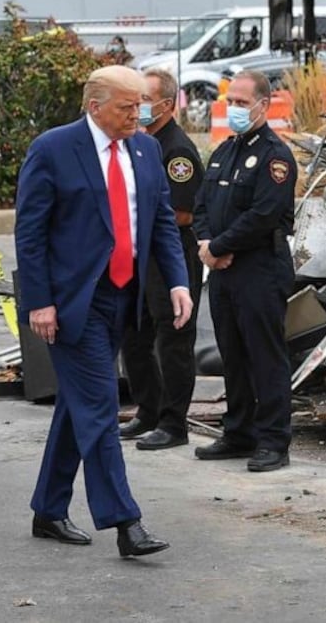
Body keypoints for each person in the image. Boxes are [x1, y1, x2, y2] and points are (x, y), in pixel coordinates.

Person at [15, 65, 192, 558]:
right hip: (75, 302)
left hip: (125, 297)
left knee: (78, 406)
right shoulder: (53, 149)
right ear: (95, 107)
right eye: (126, 107)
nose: (137, 114)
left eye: (141, 105)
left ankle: (49, 508)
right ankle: (125, 522)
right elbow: (30, 234)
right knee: (99, 407)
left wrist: (177, 280)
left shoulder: (146, 149)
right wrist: (40, 301)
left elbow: (159, 221)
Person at [192, 70, 295, 473]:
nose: (233, 108)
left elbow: (264, 214)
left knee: (264, 357)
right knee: (231, 354)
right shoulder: (224, 151)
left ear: (262, 105)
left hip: (259, 269)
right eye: (229, 101)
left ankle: (272, 440)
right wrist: (207, 246)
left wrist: (219, 246)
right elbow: (201, 205)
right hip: (222, 271)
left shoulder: (275, 156)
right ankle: (239, 432)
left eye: (240, 102)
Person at [119, 70, 204, 450]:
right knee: (135, 336)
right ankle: (148, 409)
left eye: (145, 100)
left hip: (172, 254)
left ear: (166, 105)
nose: (139, 108)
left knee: (172, 341)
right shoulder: (139, 143)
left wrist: (139, 216)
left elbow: (183, 213)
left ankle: (173, 423)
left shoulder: (177, 150)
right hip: (141, 255)